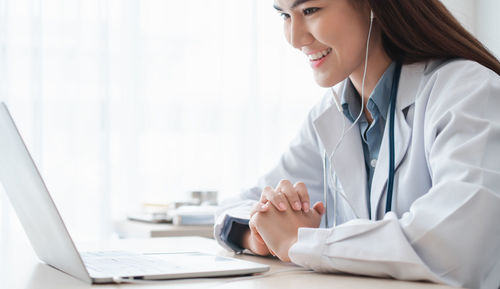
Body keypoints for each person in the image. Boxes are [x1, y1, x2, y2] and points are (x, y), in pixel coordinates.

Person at [214, 1, 500, 288]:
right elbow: (231, 210)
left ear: (373, 5)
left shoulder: (467, 91)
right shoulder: (333, 113)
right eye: (284, 15)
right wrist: (262, 235)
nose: (295, 38)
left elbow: (456, 245)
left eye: (310, 10)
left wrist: (296, 241)